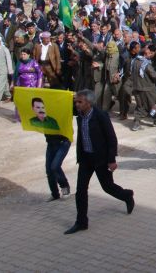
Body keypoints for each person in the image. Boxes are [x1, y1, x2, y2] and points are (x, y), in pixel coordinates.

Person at [64, 89, 134, 235]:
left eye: (79, 102)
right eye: (75, 101)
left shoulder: (100, 116)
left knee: (108, 187)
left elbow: (111, 138)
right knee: (81, 191)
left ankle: (127, 195)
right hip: (85, 159)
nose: (76, 104)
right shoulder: (80, 115)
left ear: (89, 103)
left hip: (100, 159)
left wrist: (111, 160)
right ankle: (81, 222)